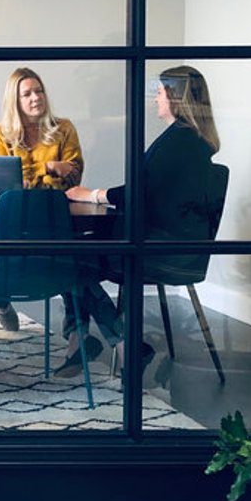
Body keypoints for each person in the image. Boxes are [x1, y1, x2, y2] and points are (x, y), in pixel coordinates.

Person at [60, 65, 222, 374]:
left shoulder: (179, 142)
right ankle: (95, 341)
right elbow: (149, 192)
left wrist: (90, 194)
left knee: (70, 258)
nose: (156, 99)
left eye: (160, 93)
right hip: (173, 244)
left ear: (176, 98)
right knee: (74, 253)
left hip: (159, 250)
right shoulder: (190, 141)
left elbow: (138, 194)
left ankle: (116, 341)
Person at [0, 67, 84, 331]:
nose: (36, 97)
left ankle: (74, 325)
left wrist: (32, 177)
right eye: (27, 94)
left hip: (52, 215)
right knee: (3, 243)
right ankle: (1, 299)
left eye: (39, 91)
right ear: (14, 101)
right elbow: (6, 185)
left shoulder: (64, 128)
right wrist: (50, 168)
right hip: (13, 216)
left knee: (72, 257)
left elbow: (74, 175)